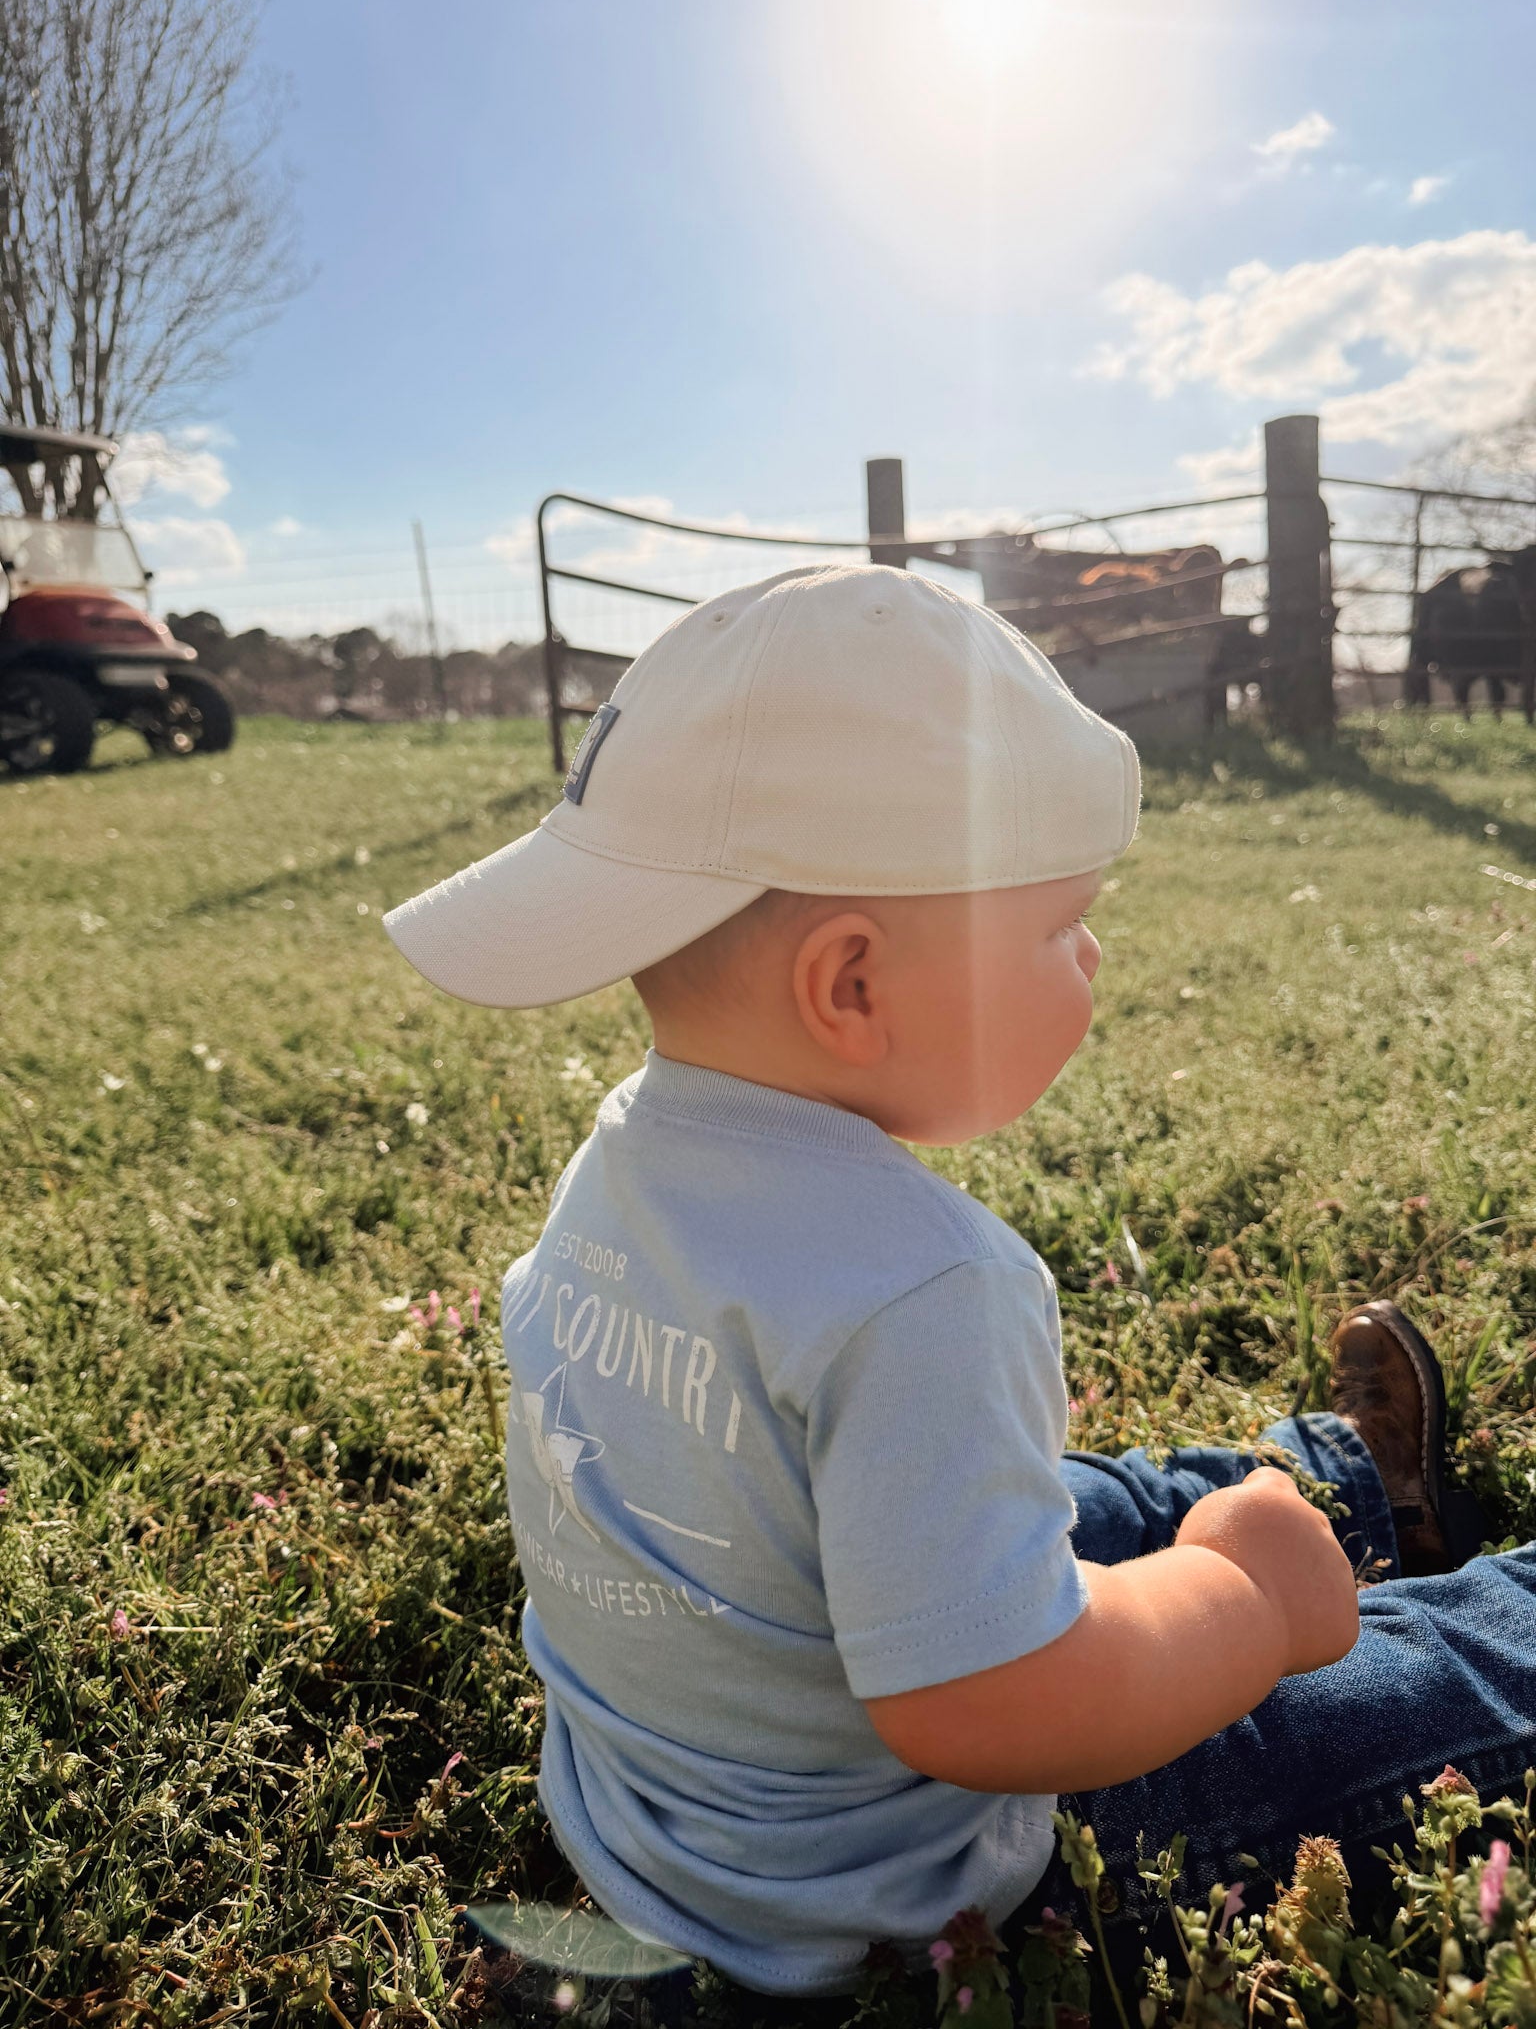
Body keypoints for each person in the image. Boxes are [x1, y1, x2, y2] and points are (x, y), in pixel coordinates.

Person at [383, 565, 1531, 2002]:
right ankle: (1472, 1609)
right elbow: (993, 1708)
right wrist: (1241, 1607)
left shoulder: (617, 1165)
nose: (1095, 953)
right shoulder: (924, 1287)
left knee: (1054, 1494)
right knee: (1388, 1689)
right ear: (850, 985)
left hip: (680, 1829)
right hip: (908, 1900)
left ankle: (1348, 1480)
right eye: (1062, 925)